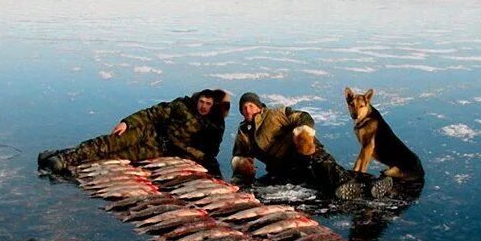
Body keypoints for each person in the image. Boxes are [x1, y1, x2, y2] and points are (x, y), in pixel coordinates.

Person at [230, 92, 392, 200]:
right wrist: (241, 175)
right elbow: (241, 155)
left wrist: (304, 134)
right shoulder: (244, 132)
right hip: (282, 168)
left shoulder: (276, 114)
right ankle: (367, 183)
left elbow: (303, 117)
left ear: (259, 106)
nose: (248, 109)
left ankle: (351, 183)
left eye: (251, 105)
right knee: (313, 181)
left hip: (302, 151)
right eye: (244, 108)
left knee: (322, 166)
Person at [38, 89, 230, 176]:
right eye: (201, 102)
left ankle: (66, 158)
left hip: (158, 149)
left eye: (208, 104)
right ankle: (62, 158)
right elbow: (151, 113)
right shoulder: (181, 106)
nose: (203, 106)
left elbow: (210, 154)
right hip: (147, 132)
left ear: (213, 106)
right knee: (108, 143)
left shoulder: (214, 126)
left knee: (114, 157)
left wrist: (191, 155)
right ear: (198, 100)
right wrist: (127, 123)